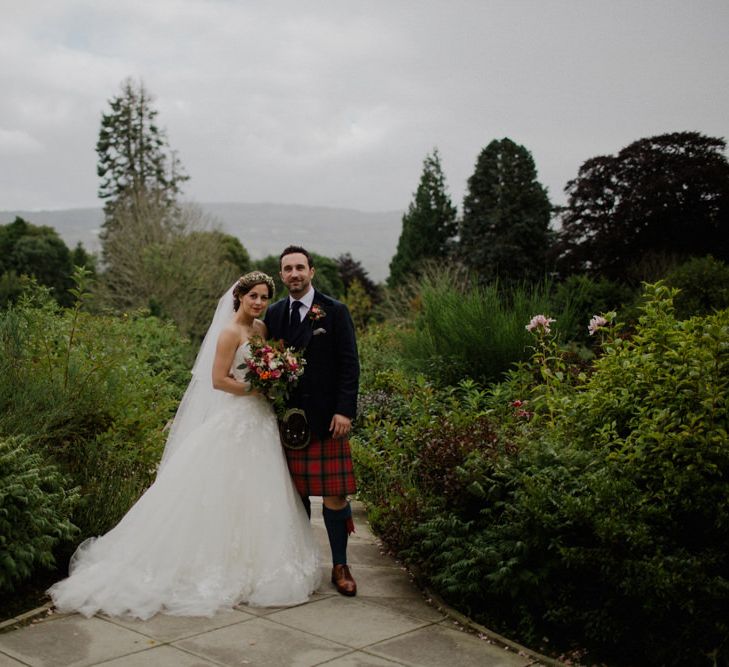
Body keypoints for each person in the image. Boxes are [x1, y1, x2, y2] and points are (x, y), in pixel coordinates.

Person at [48, 272, 321, 620]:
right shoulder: (228, 333)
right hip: (237, 418)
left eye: (265, 297)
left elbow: (264, 368)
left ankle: (257, 563)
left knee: (258, 491)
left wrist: (274, 380)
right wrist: (258, 389)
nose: (259, 302)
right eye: (253, 295)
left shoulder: (263, 331)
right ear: (239, 296)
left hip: (261, 423)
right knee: (219, 490)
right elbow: (219, 380)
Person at [264, 246, 360, 596]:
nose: (294, 274)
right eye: (287, 269)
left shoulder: (335, 312)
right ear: (281, 275)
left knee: (335, 495)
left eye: (300, 267)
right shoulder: (273, 315)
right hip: (288, 422)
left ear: (312, 271)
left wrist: (345, 410)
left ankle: (340, 565)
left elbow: (349, 365)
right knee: (294, 497)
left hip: (327, 419)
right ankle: (300, 564)